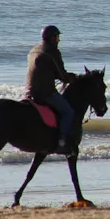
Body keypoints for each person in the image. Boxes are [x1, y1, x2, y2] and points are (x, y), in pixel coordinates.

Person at [26, 25, 77, 153]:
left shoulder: (33, 50)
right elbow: (62, 76)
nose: (59, 40)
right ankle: (61, 142)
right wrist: (73, 78)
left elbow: (44, 71)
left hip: (28, 91)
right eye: (57, 37)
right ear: (52, 38)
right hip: (45, 93)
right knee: (68, 112)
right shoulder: (51, 51)